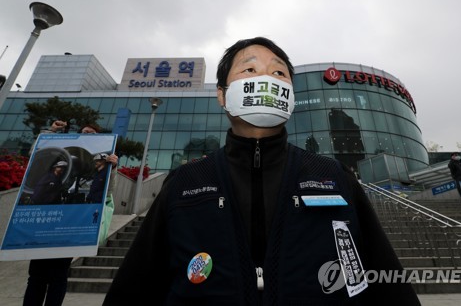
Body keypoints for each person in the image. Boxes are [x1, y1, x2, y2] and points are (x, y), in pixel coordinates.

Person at [103, 37, 420, 305]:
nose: (266, 79)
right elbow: (135, 286)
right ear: (222, 94)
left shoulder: (335, 177)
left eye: (279, 72)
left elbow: (388, 283)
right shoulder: (186, 182)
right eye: (250, 69)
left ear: (291, 96)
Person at [23, 122, 118, 306]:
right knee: (36, 276)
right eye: (84, 133)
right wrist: (51, 132)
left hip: (69, 225)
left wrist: (112, 170)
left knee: (58, 276)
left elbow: (107, 192)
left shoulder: (102, 165)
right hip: (44, 224)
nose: (87, 135)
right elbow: (34, 160)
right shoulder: (59, 160)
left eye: (92, 134)